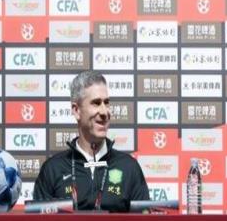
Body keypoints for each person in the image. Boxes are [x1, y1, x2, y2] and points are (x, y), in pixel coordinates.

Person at [34, 70, 149, 212]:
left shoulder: (129, 167)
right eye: (96, 103)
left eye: (106, 103)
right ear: (76, 111)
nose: (104, 112)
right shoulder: (52, 169)